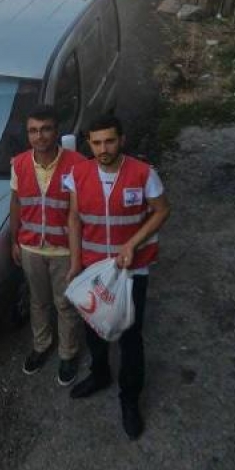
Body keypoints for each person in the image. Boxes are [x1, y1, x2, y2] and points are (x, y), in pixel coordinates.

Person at [66, 113, 170, 440]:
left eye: (109, 140)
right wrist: (74, 262)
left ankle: (129, 400)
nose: (103, 148)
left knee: (130, 334)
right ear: (89, 144)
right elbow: (74, 219)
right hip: (94, 269)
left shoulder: (143, 173)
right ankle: (99, 375)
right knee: (94, 328)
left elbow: (162, 210)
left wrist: (132, 243)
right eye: (96, 142)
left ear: (121, 140)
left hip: (132, 270)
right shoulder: (78, 173)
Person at [10, 105, 86, 385]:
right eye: (33, 130)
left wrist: (78, 257)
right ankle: (42, 346)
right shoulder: (18, 164)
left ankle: (68, 353)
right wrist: (14, 241)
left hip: (64, 249)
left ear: (56, 131)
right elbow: (16, 202)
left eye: (45, 129)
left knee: (65, 304)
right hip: (30, 247)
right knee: (38, 303)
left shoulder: (78, 164)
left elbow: (78, 214)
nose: (39, 136)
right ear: (27, 134)